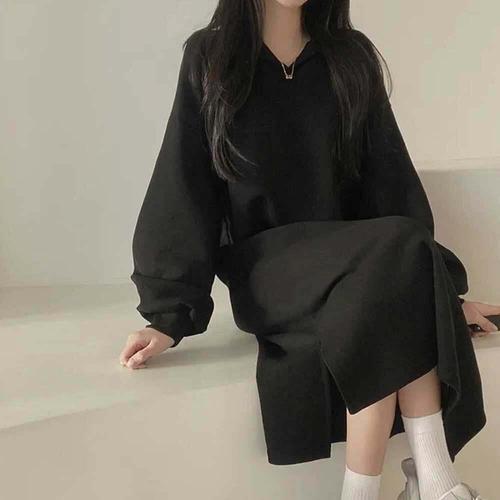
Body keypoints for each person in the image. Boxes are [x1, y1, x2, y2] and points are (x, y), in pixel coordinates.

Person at [120, 1, 499, 498]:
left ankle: (410, 486)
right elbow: (184, 182)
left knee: (388, 268)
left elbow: (390, 182)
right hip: (267, 271)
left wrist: (439, 294)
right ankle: (433, 482)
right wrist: (168, 316)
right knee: (390, 260)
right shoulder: (212, 57)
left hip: (356, 270)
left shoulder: (350, 57)